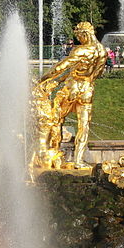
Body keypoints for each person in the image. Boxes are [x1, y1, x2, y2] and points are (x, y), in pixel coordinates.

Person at [31, 22, 106, 170]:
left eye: (79, 36)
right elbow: (96, 74)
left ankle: (53, 152)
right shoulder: (102, 52)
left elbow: (60, 68)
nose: (78, 39)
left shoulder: (80, 51)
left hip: (71, 89)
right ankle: (78, 160)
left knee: (56, 119)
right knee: (83, 126)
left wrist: (43, 79)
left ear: (84, 34)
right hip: (87, 91)